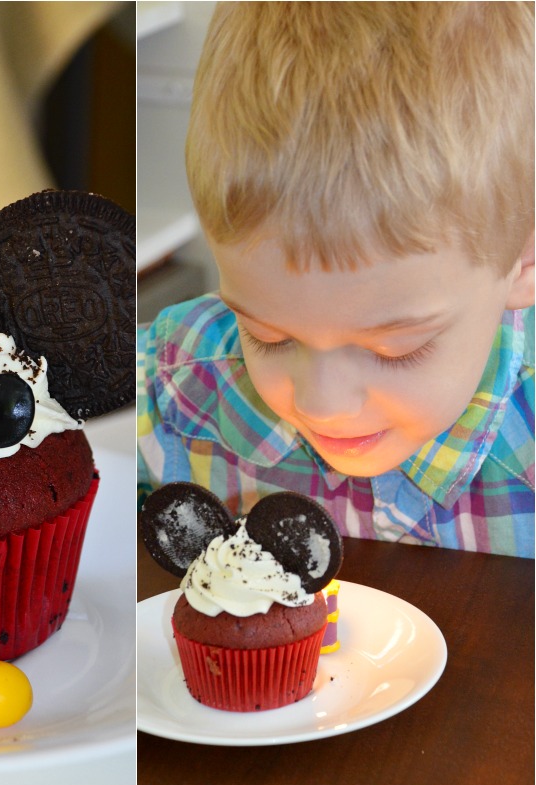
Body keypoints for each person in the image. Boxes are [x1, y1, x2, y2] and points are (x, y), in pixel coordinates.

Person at [137, 2, 534, 556]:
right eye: (268, 336)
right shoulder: (178, 383)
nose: (323, 404)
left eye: (397, 348)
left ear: (524, 258)